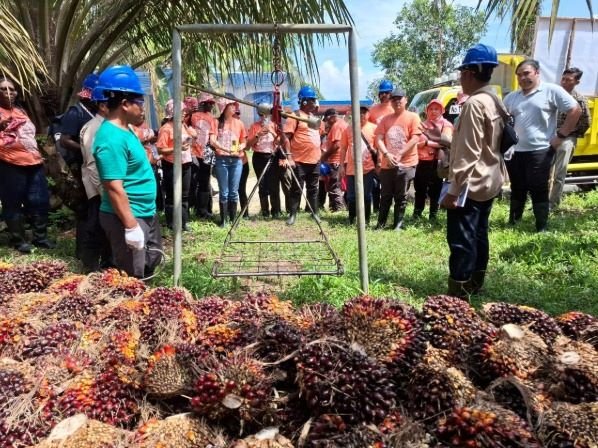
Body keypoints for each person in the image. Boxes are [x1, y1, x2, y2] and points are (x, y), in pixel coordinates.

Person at [440, 43, 507, 298]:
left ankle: (458, 291)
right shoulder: (494, 101)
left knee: (461, 239)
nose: (460, 78)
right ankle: (476, 283)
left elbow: (468, 153)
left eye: (461, 73)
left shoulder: (474, 105)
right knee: (479, 234)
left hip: (471, 185)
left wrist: (453, 191)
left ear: (468, 73)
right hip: (489, 180)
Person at [92, 65, 163, 278]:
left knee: (152, 259)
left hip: (144, 210)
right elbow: (114, 187)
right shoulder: (110, 139)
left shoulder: (127, 130)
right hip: (127, 215)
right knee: (133, 274)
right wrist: (131, 226)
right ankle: (133, 306)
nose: (143, 108)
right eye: (140, 103)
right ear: (124, 104)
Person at [503, 59, 581, 232]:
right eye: (519, 75)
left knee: (538, 187)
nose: (522, 78)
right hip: (515, 151)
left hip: (540, 150)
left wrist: (560, 136)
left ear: (537, 73)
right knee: (517, 186)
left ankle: (541, 226)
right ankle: (514, 221)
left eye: (526, 73)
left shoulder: (550, 91)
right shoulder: (512, 97)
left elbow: (575, 110)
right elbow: (503, 119)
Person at [0, 77, 54, 253]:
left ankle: (41, 238)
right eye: (4, 89)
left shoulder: (20, 110)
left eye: (12, 89)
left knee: (40, 200)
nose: (9, 92)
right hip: (9, 163)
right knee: (12, 202)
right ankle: (19, 240)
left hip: (34, 162)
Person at [60, 73, 100, 259]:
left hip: (91, 164)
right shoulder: (76, 113)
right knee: (85, 208)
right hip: (79, 165)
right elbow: (65, 140)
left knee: (93, 208)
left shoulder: (94, 114)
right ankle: (83, 252)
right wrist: (85, 149)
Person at [375, 87, 422, 230]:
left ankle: (398, 225)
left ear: (406, 100)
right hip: (387, 163)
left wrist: (401, 153)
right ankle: (381, 224)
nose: (396, 102)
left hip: (406, 163)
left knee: (401, 196)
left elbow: (415, 138)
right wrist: (386, 154)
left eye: (399, 98)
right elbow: (378, 138)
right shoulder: (385, 119)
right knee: (385, 195)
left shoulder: (413, 117)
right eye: (393, 99)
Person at [78, 85, 112, 272]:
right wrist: (104, 191)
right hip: (99, 187)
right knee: (96, 225)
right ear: (102, 106)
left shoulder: (105, 127)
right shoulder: (93, 128)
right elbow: (92, 164)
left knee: (105, 226)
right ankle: (90, 265)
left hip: (106, 187)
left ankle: (107, 262)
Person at [549, 67, 591, 210]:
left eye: (569, 80)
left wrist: (569, 134)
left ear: (577, 82)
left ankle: (553, 204)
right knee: (546, 171)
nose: (564, 82)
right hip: (551, 136)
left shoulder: (578, 99)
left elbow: (586, 122)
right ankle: (542, 202)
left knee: (559, 173)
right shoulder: (555, 95)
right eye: (563, 78)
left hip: (566, 139)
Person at [283, 85, 323, 225]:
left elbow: (321, 135)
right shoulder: (295, 116)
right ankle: (292, 215)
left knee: (313, 188)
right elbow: (286, 137)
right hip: (299, 160)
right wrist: (289, 157)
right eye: (312, 100)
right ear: (304, 101)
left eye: (314, 100)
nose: (314, 103)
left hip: (315, 160)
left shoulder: (314, 118)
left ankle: (315, 213)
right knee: (296, 189)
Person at [156, 99, 196, 230]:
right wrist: (177, 148)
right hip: (171, 165)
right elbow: (160, 149)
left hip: (186, 164)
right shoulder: (166, 129)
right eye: (182, 111)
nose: (185, 113)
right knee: (172, 195)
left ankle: (183, 222)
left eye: (185, 111)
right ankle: (172, 223)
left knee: (185, 194)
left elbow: (190, 142)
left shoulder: (183, 126)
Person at [414, 99, 453, 221]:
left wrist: (426, 142)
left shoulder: (446, 124)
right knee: (419, 188)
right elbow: (415, 141)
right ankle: (417, 214)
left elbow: (446, 143)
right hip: (422, 161)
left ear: (442, 110)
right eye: (431, 109)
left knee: (435, 190)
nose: (433, 111)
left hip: (438, 162)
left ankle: (433, 215)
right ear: (426, 111)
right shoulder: (422, 124)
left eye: (436, 109)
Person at [340, 105, 377, 225]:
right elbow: (343, 148)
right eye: (358, 113)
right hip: (351, 169)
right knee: (351, 196)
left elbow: (379, 148)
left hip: (368, 169)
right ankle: (352, 220)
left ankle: (366, 221)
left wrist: (379, 163)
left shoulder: (374, 129)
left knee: (366, 196)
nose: (361, 115)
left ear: (368, 114)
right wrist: (341, 166)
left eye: (363, 113)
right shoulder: (348, 129)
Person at [213, 98, 246, 227]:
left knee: (234, 191)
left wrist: (241, 147)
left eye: (234, 105)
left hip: (236, 159)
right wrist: (223, 148)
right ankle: (223, 220)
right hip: (222, 159)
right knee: (224, 191)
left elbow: (243, 140)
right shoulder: (216, 123)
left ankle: (233, 219)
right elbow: (212, 141)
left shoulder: (239, 123)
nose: (233, 107)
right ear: (224, 108)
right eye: (230, 105)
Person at [247, 111, 280, 218]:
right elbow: (248, 144)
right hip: (259, 157)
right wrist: (258, 135)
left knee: (274, 184)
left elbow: (280, 142)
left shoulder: (275, 125)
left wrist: (272, 132)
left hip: (272, 156)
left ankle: (276, 211)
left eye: (267, 114)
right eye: (262, 114)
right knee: (262, 184)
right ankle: (265, 211)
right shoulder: (254, 126)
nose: (264, 117)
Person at [190, 93, 218, 219]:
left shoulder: (212, 118)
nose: (211, 106)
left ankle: (204, 210)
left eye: (212, 104)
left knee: (205, 180)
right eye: (209, 103)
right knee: (194, 180)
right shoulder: (192, 116)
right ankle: (195, 208)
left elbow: (212, 136)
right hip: (193, 151)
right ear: (202, 103)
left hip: (208, 151)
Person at [320, 108, 348, 212]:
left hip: (336, 160)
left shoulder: (337, 126)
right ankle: (336, 208)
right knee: (337, 186)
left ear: (331, 117)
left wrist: (324, 157)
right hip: (342, 159)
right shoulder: (343, 124)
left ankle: (340, 210)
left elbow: (336, 145)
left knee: (334, 187)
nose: (327, 123)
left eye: (327, 120)